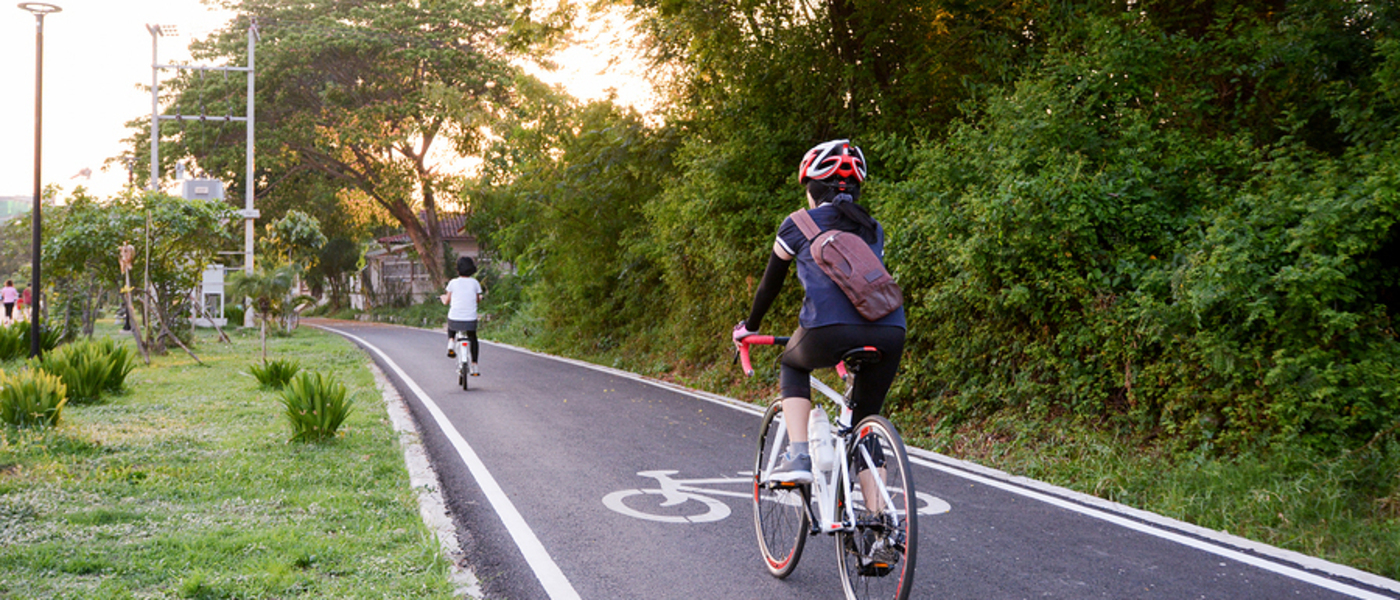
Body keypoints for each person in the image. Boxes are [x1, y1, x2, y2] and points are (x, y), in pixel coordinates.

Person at [732, 139, 906, 484]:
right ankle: (879, 526)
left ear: (811, 188)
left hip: (826, 330)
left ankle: (798, 455)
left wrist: (749, 327)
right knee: (865, 422)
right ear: (856, 190)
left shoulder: (797, 225)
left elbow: (769, 286)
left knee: (791, 363)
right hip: (890, 330)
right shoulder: (873, 228)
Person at [440, 256, 486, 376]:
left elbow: (447, 301)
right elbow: (476, 300)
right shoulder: (475, 283)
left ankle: (451, 342)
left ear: (458, 269)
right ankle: (475, 366)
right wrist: (480, 298)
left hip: (455, 319)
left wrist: (442, 297)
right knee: (473, 337)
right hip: (470, 319)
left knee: (451, 322)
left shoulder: (453, 283)